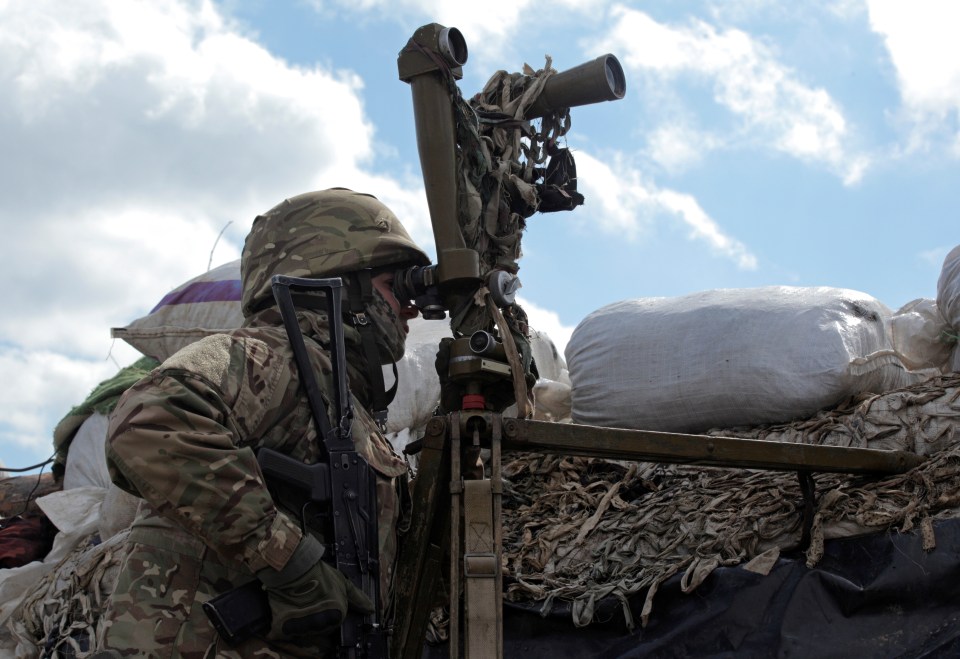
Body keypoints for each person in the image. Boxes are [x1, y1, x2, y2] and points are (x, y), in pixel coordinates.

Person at [98, 188, 430, 657]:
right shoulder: (276, 358)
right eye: (395, 286)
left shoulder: (345, 403)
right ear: (340, 281)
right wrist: (288, 559)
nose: (410, 308)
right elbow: (150, 421)